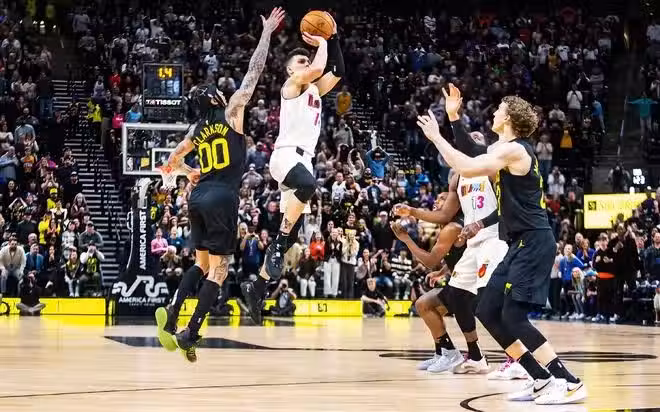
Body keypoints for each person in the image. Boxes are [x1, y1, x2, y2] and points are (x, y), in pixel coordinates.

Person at [416, 90, 586, 404]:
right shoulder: (502, 148)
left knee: (514, 316)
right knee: (487, 310)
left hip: (535, 240)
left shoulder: (516, 150)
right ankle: (540, 379)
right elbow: (472, 150)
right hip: (518, 242)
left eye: (499, 109)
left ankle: (569, 381)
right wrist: (453, 117)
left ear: (508, 118)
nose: (494, 112)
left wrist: (437, 137)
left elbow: (468, 166)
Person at [154, 7, 285, 362]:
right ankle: (192, 331)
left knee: (200, 263)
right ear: (216, 99)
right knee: (220, 270)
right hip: (223, 197)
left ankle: (173, 314)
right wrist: (266, 33)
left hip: (196, 198)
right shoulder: (232, 113)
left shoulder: (196, 130)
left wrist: (189, 172)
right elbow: (253, 73)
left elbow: (171, 160)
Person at [242, 12, 344, 324]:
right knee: (309, 186)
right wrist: (322, 42)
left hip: (304, 159)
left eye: (305, 61)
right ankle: (276, 243)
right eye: (300, 62)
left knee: (293, 234)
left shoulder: (314, 89)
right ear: (290, 70)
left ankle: (257, 287)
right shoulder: (292, 85)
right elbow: (318, 68)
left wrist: (334, 38)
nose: (306, 64)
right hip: (286, 156)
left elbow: (337, 71)